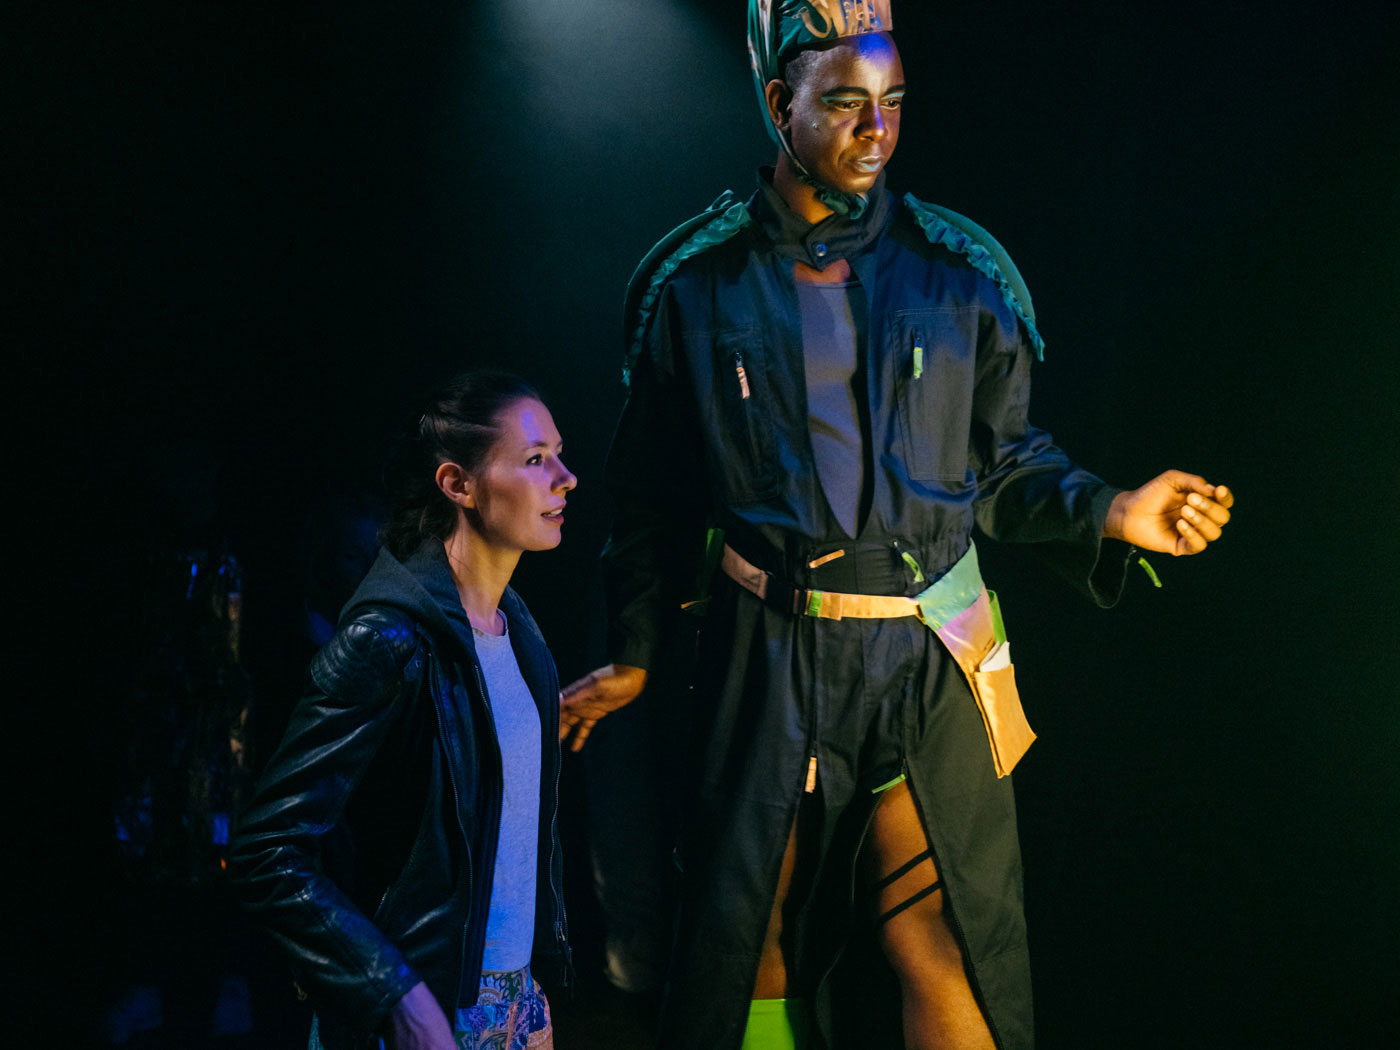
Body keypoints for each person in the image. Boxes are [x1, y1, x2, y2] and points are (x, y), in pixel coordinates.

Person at [558, 3, 1234, 1049]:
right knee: (753, 940)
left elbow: (1004, 464)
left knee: (947, 931)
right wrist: (638, 649)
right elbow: (650, 500)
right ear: (779, 104)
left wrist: (1111, 510)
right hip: (769, 653)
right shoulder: (692, 286)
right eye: (844, 103)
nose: (876, 130)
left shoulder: (960, 272)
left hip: (931, 651)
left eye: (893, 102)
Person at [230, 371, 576, 1050]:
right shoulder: (387, 638)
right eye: (536, 459)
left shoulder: (519, 633)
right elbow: (267, 848)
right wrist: (395, 995)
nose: (565, 479)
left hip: (515, 1005)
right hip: (426, 1010)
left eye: (559, 455)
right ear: (458, 484)